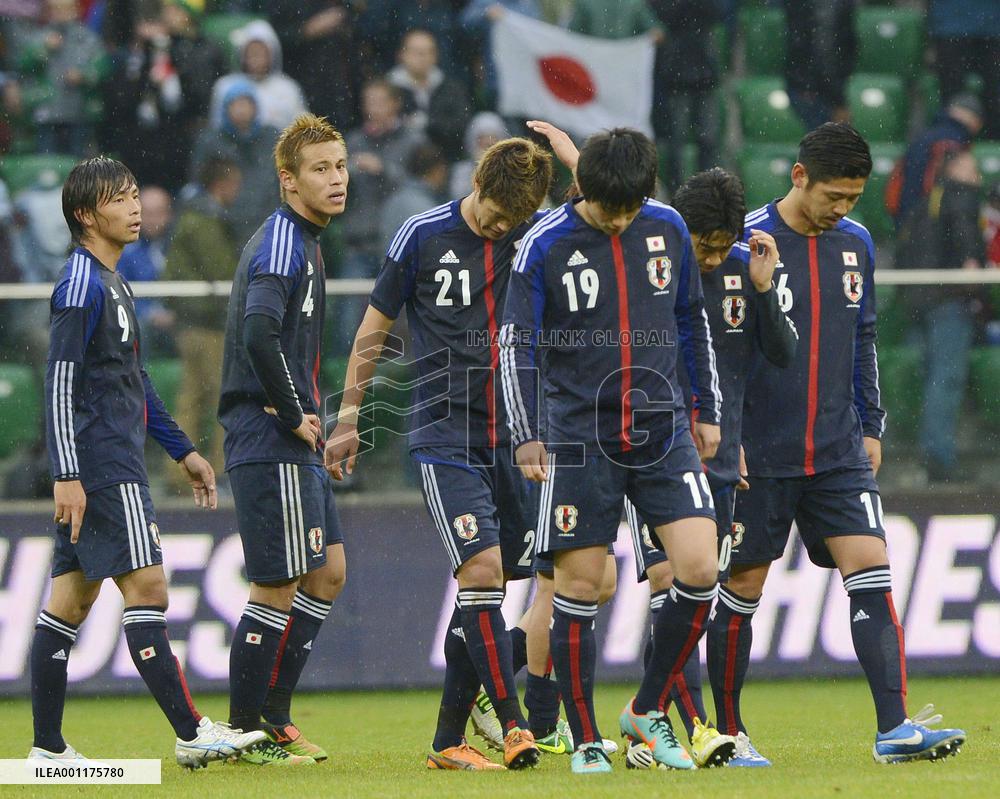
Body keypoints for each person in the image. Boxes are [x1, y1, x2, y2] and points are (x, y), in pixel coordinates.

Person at [325, 129, 589, 771]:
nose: (502, 231)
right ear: (477, 186)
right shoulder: (421, 234)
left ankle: (448, 741)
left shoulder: (529, 233)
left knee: (496, 587)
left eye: (514, 223)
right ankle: (515, 724)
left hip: (516, 435)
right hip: (445, 434)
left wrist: (573, 157)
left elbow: (600, 205)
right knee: (481, 574)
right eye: (497, 218)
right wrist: (349, 413)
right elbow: (374, 324)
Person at [717, 122, 966, 764]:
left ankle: (894, 729)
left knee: (871, 564)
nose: (842, 210)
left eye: (854, 198)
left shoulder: (855, 242)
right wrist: (727, 435)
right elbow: (724, 353)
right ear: (798, 176)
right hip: (759, 453)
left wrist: (872, 424)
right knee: (743, 585)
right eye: (834, 195)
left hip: (836, 448)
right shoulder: (744, 244)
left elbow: (864, 337)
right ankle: (727, 731)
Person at [500, 128, 722, 773]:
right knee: (579, 585)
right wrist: (526, 431)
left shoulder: (668, 227)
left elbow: (690, 318)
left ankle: (646, 710)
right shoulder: (543, 244)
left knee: (699, 569)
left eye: (631, 208)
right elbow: (516, 344)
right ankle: (586, 736)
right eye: (609, 210)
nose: (622, 220)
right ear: (583, 192)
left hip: (661, 428)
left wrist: (705, 409)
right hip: (577, 434)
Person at [30, 156, 263, 767]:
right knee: (150, 588)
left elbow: (132, 380)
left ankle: (48, 749)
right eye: (121, 198)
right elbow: (59, 385)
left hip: (107, 462)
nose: (135, 207)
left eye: (137, 194)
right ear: (87, 214)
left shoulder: (112, 280)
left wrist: (183, 448)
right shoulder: (81, 285)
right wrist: (68, 474)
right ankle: (191, 733)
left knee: (68, 604)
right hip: (103, 468)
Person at [624, 166, 798, 769]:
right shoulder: (648, 267)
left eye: (723, 246)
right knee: (671, 582)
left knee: (699, 591)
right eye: (705, 246)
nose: (714, 256)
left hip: (721, 454)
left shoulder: (747, 267)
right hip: (653, 449)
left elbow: (780, 354)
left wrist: (763, 286)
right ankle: (694, 728)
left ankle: (654, 729)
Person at [218, 113, 349, 765]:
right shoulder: (280, 242)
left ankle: (272, 714)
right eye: (320, 168)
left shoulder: (305, 240)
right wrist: (297, 412)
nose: (335, 178)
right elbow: (257, 331)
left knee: (327, 572)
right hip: (268, 433)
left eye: (340, 165)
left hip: (294, 434)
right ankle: (248, 730)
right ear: (288, 181)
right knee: (278, 580)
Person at [896, 149, 985, 482]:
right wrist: (971, 268)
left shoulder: (927, 200)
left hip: (921, 302)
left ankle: (928, 453)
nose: (977, 173)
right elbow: (964, 235)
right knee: (945, 379)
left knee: (931, 377)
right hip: (948, 299)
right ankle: (939, 457)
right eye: (970, 165)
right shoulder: (961, 195)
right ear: (955, 168)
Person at [163, 157, 243, 475]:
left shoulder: (190, 217)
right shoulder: (206, 221)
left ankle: (180, 476)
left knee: (190, 401)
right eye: (234, 184)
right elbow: (222, 270)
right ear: (221, 184)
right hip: (208, 322)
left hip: (189, 322)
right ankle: (225, 473)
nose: (237, 191)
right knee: (224, 401)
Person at [190, 80, 281, 245]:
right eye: (236, 104)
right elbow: (199, 180)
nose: (241, 110)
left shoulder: (272, 137)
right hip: (224, 221)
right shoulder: (210, 141)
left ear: (255, 107)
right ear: (225, 108)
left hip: (267, 217)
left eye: (246, 104)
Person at [18, 0, 105, 155]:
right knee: (47, 161)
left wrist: (83, 76)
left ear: (75, 11)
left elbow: (103, 66)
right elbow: (23, 64)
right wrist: (43, 49)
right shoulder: (40, 36)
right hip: (47, 109)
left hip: (78, 109)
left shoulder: (87, 37)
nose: (61, 15)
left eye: (66, 10)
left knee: (77, 160)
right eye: (57, 10)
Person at [888, 94, 983, 230]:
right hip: (929, 222)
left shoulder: (927, 134)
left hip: (908, 216)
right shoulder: (951, 141)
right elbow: (948, 188)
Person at [387, 28, 472, 162]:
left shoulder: (450, 88)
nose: (423, 57)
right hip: (397, 160)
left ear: (436, 55)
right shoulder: (388, 87)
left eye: (428, 52)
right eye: (416, 52)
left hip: (444, 159)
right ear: (401, 54)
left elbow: (461, 126)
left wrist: (429, 124)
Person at [209, 19, 307, 132]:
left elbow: (302, 130)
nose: (256, 57)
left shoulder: (288, 88)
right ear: (242, 54)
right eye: (251, 52)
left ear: (272, 54)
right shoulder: (225, 86)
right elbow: (215, 129)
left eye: (261, 52)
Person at [118, 185, 176, 353]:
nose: (153, 220)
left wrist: (176, 312)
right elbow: (122, 295)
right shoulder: (125, 251)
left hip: (178, 321)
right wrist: (150, 313)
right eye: (147, 214)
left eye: (159, 213)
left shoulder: (181, 248)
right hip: (143, 322)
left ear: (169, 214)